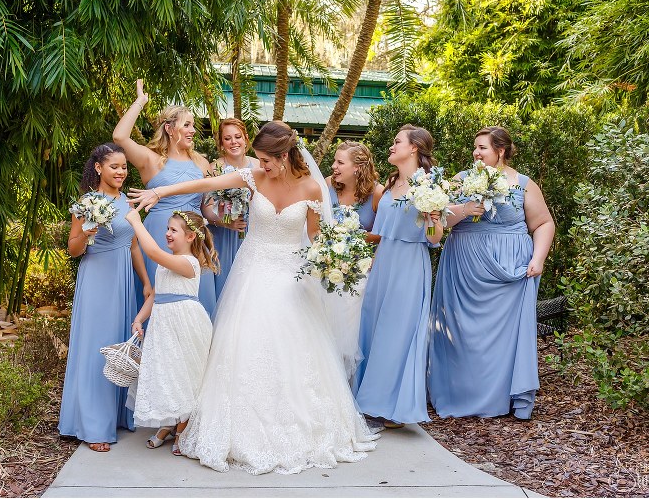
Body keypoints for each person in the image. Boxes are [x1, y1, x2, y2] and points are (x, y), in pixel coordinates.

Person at [129, 121, 378, 475]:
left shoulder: (311, 187)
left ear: (285, 155)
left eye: (266, 160)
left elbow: (315, 237)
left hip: (292, 276)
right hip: (252, 271)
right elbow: (207, 183)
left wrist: (332, 257)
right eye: (258, 159)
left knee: (292, 347)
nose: (261, 165)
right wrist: (160, 193)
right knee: (242, 342)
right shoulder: (253, 177)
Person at [428, 126, 554, 420]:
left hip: (510, 272)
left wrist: (539, 258)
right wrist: (467, 208)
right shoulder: (460, 180)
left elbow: (543, 224)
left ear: (501, 151)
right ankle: (458, 394)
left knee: (502, 339)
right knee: (462, 334)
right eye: (475, 148)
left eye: (482, 148)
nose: (476, 153)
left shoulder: (524, 184)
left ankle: (501, 397)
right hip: (465, 269)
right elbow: (440, 221)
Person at [58, 143, 151, 452]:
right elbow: (73, 249)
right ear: (98, 168)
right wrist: (89, 229)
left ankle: (117, 415)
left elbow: (134, 246)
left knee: (118, 342)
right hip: (97, 278)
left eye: (124, 167)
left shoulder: (126, 201)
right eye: (115, 167)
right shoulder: (86, 202)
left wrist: (146, 284)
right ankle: (93, 425)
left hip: (124, 278)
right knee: (96, 345)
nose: (121, 172)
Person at [353, 125, 444, 429]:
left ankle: (390, 406)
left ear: (414, 148)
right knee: (374, 326)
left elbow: (434, 238)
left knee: (397, 333)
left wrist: (433, 219)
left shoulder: (430, 184)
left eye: (397, 143)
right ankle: (367, 400)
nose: (391, 147)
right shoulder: (391, 183)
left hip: (409, 264)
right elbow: (380, 234)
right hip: (385, 262)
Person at [113, 79, 217, 318]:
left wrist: (222, 224)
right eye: (187, 125)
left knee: (199, 297)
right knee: (162, 297)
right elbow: (119, 137)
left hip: (196, 237)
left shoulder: (201, 162)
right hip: (160, 234)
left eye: (193, 125)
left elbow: (206, 207)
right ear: (170, 129)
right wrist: (140, 102)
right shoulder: (151, 159)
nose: (192, 130)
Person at [126, 210, 218, 455]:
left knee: (185, 374)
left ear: (190, 237)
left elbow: (152, 252)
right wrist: (139, 318)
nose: (167, 233)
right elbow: (156, 294)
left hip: (185, 323)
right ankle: (169, 422)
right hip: (162, 324)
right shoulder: (167, 261)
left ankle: (183, 427)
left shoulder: (190, 263)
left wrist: (136, 222)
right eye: (167, 228)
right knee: (166, 372)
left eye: (173, 230)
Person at [324, 141, 385, 381]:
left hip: (358, 268)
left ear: (358, 167)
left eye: (340, 162)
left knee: (350, 328)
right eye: (334, 161)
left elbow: (383, 233)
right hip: (327, 264)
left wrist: (353, 236)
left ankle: (347, 382)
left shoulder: (377, 193)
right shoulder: (327, 185)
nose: (334, 167)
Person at [208, 118, 259, 297]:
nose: (233, 142)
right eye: (227, 138)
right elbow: (206, 208)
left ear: (246, 138)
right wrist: (226, 222)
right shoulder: (214, 168)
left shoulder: (259, 165)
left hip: (254, 233)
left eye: (237, 137)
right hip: (224, 235)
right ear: (221, 143)